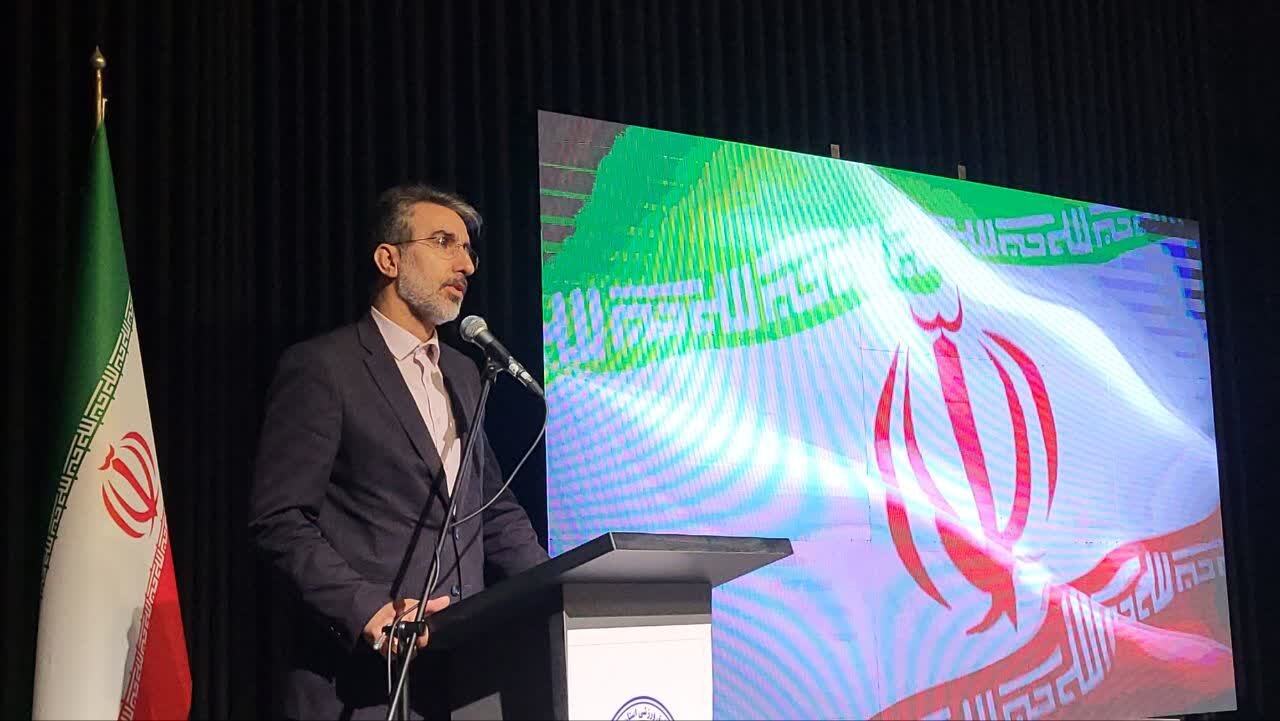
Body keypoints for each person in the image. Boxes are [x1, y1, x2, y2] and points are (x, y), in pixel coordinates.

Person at [249, 184, 549, 719]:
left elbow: (491, 510)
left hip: (465, 673)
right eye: (444, 242)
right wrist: (369, 610)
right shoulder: (324, 368)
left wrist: (556, 587)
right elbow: (280, 520)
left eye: (468, 250)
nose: (466, 265)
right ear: (389, 259)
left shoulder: (463, 372)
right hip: (362, 682)